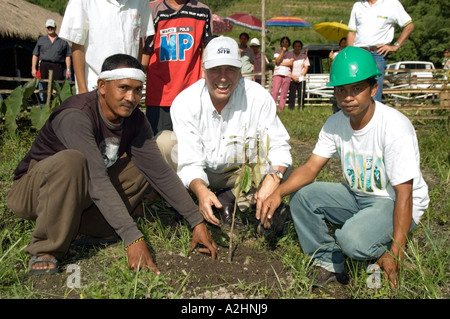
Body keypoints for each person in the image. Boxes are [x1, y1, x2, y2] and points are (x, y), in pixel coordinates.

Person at [6, 54, 218, 275]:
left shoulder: (134, 119)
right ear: (102, 86)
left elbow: (161, 173)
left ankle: (87, 228)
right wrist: (132, 236)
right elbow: (96, 179)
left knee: (145, 166)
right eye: (124, 88)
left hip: (79, 196)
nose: (131, 97)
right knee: (73, 161)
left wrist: (196, 221)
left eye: (138, 90)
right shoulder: (76, 115)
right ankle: (46, 248)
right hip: (34, 194)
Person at [261, 46, 429, 288]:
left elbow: (405, 193)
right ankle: (328, 260)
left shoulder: (394, 126)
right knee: (301, 197)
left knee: (352, 240)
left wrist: (396, 251)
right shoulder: (335, 123)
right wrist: (277, 192)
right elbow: (310, 168)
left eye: (357, 89)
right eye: (341, 90)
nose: (348, 97)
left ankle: (376, 246)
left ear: (374, 89)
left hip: (392, 201)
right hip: (357, 195)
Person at [156, 36, 292, 233]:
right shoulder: (186, 102)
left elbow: (279, 145)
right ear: (203, 71)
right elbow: (190, 160)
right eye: (215, 70)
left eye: (230, 69)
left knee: (283, 167)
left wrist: (273, 180)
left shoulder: (257, 97)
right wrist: (201, 190)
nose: (222, 77)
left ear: (240, 72)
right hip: (201, 168)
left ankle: (229, 199)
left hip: (238, 172)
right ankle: (184, 205)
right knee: (163, 143)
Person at [141, 0, 213, 135]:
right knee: (160, 143)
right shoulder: (154, 9)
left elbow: (207, 48)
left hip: (192, 94)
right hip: (160, 94)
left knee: (191, 142)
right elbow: (146, 51)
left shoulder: (203, 11)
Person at [59, 0, 154, 94]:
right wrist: (82, 90)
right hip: (94, 85)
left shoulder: (141, 2)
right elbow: (77, 45)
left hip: (128, 88)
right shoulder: (82, 2)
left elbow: (138, 41)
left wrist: (135, 79)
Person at [347, 0, 415, 102]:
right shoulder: (358, 5)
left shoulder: (391, 3)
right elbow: (351, 33)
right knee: (356, 89)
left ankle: (375, 117)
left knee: (374, 91)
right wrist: (350, 55)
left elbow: (409, 26)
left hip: (377, 53)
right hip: (358, 53)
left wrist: (395, 46)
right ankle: (358, 117)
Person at [31, 19, 72, 103]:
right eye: (48, 27)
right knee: (45, 85)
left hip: (58, 65)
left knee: (57, 85)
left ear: (55, 28)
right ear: (46, 28)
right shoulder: (41, 40)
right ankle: (46, 105)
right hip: (44, 65)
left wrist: (68, 69)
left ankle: (56, 104)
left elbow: (67, 56)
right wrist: (33, 68)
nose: (50, 29)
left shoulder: (62, 41)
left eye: (52, 27)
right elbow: (35, 54)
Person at [271, 36, 294, 112]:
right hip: (278, 73)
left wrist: (280, 64)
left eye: (286, 42)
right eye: (283, 42)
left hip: (287, 74)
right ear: (281, 43)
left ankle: (281, 109)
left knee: (284, 94)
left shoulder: (291, 53)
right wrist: (282, 52)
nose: (285, 43)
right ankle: (272, 108)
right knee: (275, 92)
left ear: (289, 44)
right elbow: (277, 61)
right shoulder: (277, 52)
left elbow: (290, 63)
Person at [288, 40, 310, 110]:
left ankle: (301, 108)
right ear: (293, 47)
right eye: (295, 46)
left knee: (301, 94)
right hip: (292, 77)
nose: (297, 48)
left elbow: (306, 66)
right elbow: (288, 67)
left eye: (299, 46)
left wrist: (302, 76)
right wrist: (292, 77)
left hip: (301, 78)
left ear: (301, 47)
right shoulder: (290, 56)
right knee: (292, 95)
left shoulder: (304, 56)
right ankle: (291, 109)